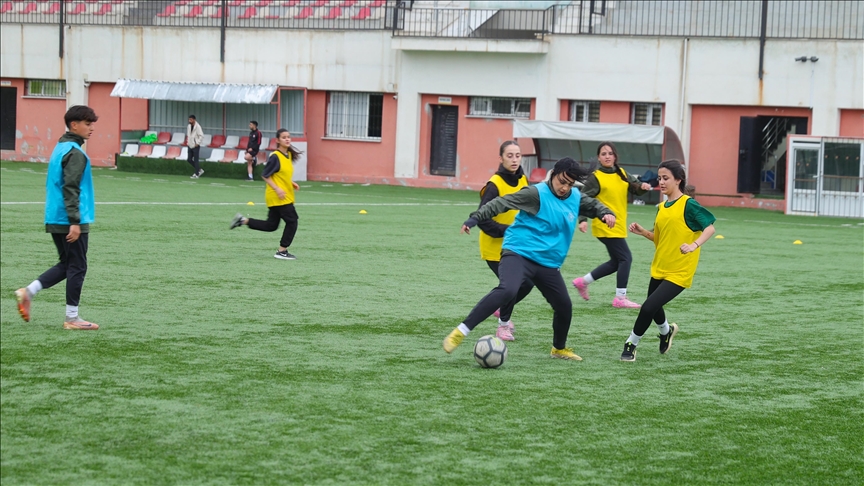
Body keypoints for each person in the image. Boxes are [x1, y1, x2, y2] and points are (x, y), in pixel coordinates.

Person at [443, 158, 617, 361]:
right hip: (519, 252)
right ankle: (461, 331)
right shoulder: (536, 194)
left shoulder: (575, 197)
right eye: (562, 181)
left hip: (548, 264)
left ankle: (558, 349)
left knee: (564, 306)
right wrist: (475, 218)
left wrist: (607, 213)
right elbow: (502, 203)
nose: (565, 187)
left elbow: (595, 205)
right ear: (553, 175)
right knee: (508, 289)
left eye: (570, 184)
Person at [14, 105, 101, 330]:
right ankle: (72, 318)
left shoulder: (61, 147)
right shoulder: (75, 153)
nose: (92, 128)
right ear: (74, 125)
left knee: (68, 264)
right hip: (68, 219)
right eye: (88, 124)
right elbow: (70, 188)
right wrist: (75, 221)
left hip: (54, 216)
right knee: (78, 266)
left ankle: (28, 292)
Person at [622, 159, 716, 362]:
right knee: (654, 308)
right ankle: (666, 332)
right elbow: (660, 238)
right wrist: (643, 232)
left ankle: (631, 344)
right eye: (659, 178)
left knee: (648, 307)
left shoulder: (689, 205)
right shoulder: (662, 207)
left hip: (680, 271)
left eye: (666, 178)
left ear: (678, 180)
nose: (661, 182)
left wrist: (694, 245)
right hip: (660, 266)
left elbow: (710, 228)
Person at [572, 142, 653, 309]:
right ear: (599, 158)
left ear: (615, 156)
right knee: (626, 258)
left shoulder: (621, 173)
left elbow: (635, 188)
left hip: (619, 224)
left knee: (617, 262)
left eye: (610, 153)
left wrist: (643, 187)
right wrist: (582, 220)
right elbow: (582, 198)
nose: (607, 156)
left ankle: (583, 281)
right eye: (603, 154)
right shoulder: (596, 177)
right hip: (605, 224)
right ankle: (620, 298)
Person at [476, 140, 534, 342]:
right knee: (512, 284)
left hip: (516, 247)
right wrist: (507, 230)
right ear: (500, 158)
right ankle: (503, 326)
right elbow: (482, 219)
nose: (514, 159)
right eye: (509, 155)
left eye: (517, 155)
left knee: (529, 282)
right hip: (494, 247)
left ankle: (500, 308)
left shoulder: (523, 180)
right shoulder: (494, 184)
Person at [229, 128, 303, 260]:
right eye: (284, 137)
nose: (287, 139)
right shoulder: (275, 156)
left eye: (288, 137)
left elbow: (280, 174)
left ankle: (243, 221)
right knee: (292, 221)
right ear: (278, 140)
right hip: (278, 197)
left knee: (271, 225)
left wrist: (291, 182)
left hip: (283, 196)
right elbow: (265, 175)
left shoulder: (288, 155)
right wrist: (277, 189)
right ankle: (282, 251)